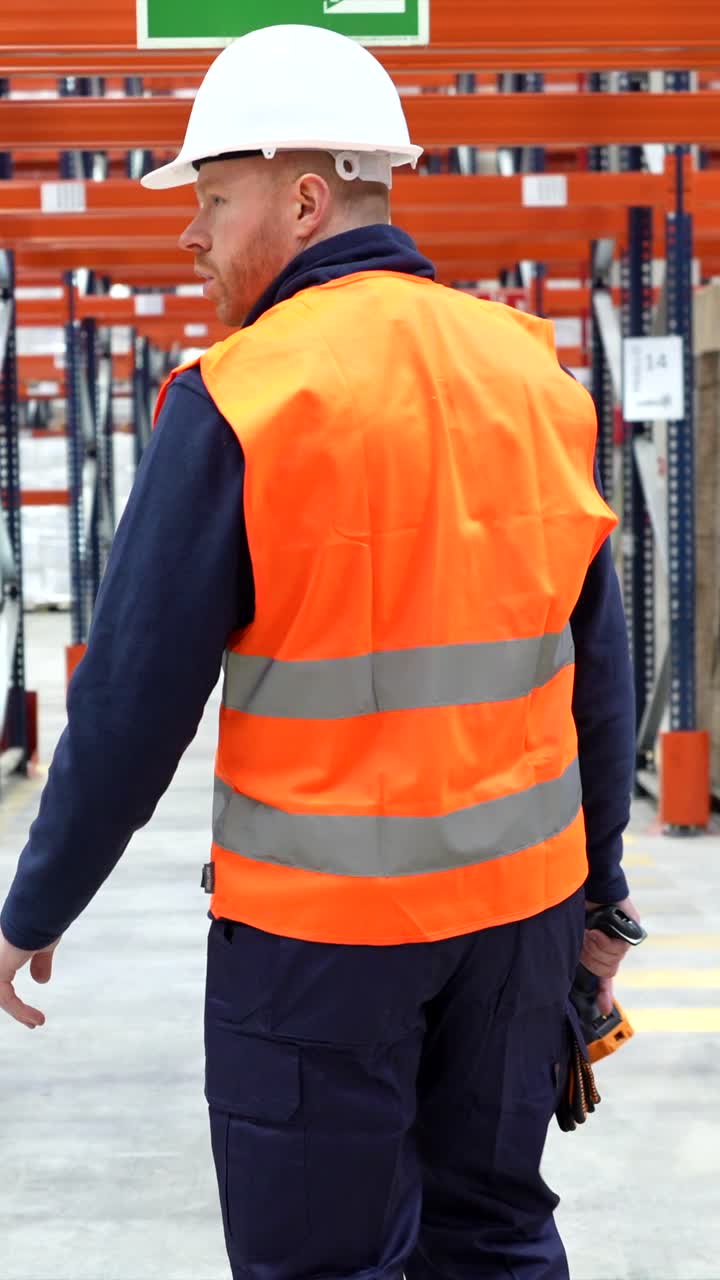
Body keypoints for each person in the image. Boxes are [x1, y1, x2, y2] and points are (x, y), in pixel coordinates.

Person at [0, 23, 640, 1280]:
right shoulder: (533, 371)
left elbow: (132, 700)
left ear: (303, 198)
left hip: (319, 948)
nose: (190, 235)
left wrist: (35, 903)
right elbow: (595, 664)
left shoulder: (243, 392)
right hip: (519, 920)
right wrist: (601, 894)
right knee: (499, 1234)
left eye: (213, 198)